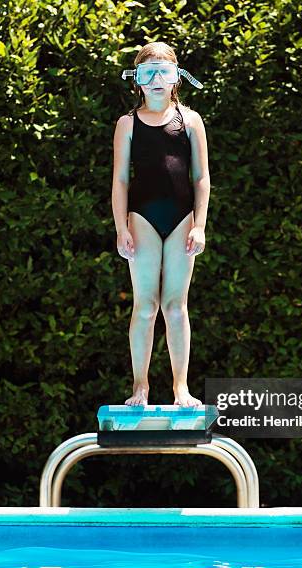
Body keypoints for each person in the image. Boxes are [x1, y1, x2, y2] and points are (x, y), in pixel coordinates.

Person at [111, 42, 210, 407]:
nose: (156, 80)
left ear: (176, 79)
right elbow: (120, 180)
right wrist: (121, 227)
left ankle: (180, 387)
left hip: (183, 218)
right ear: (136, 81)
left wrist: (199, 224)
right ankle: (141, 386)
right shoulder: (127, 124)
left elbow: (201, 178)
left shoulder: (191, 120)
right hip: (142, 218)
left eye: (163, 72)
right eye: (147, 72)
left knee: (175, 306)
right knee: (145, 306)